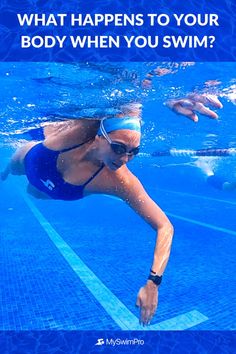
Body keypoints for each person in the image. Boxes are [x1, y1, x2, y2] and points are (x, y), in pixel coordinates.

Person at [0, 93, 223, 325]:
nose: (125, 158)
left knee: (34, 193)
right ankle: (4, 173)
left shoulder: (118, 180)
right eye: (118, 148)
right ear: (98, 138)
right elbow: (122, 92)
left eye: (133, 152)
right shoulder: (81, 130)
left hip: (51, 191)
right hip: (30, 161)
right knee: (11, 172)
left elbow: (164, 225)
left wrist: (153, 282)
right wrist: (167, 99)